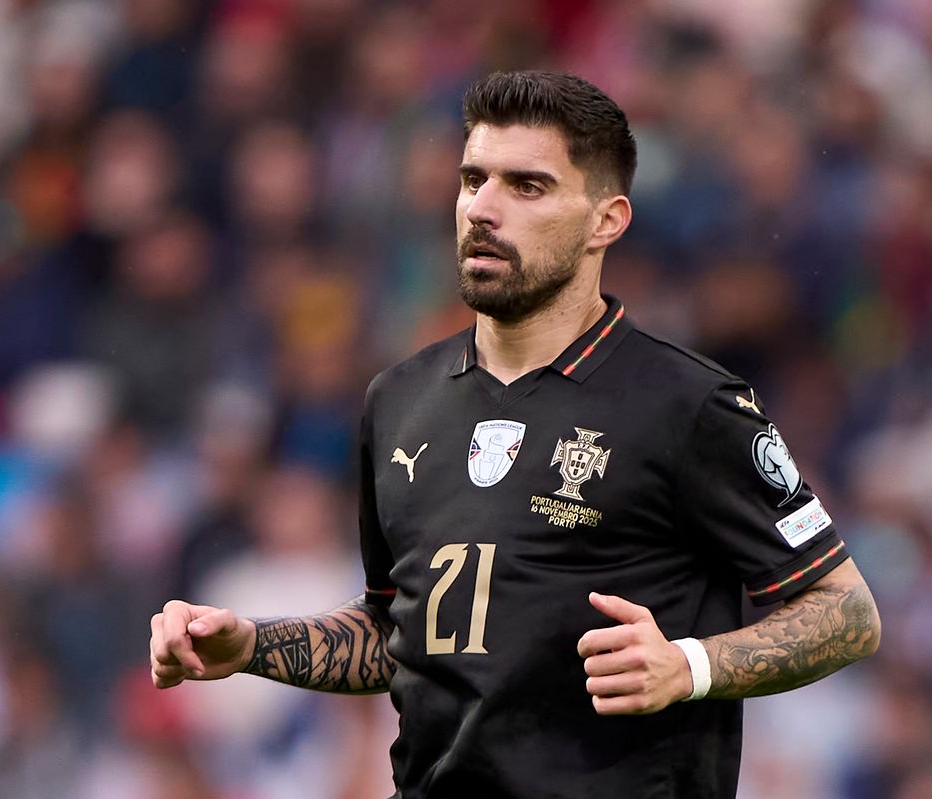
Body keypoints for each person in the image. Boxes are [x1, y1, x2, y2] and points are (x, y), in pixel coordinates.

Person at [150, 71, 881, 798]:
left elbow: (847, 611)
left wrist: (690, 666)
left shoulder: (691, 406)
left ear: (605, 221)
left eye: (527, 187)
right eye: (473, 180)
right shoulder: (398, 400)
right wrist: (253, 644)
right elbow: (396, 633)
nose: (483, 208)